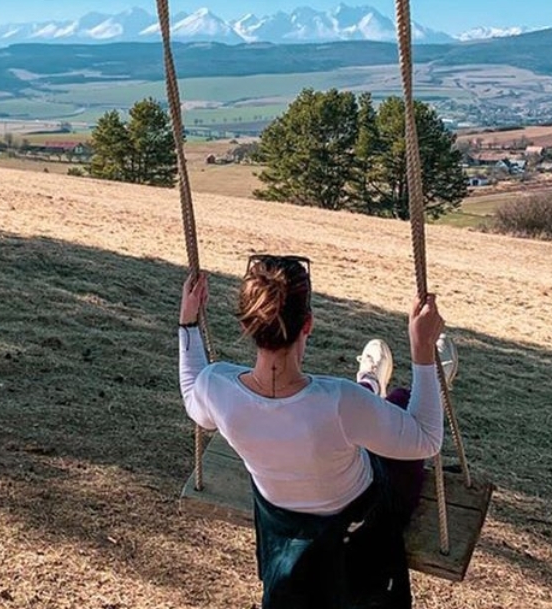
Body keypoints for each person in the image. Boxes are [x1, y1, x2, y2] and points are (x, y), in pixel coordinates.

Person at [177, 255, 457, 608]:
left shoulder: (216, 387)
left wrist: (187, 323)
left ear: (248, 324)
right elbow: (427, 438)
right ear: (307, 324)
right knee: (402, 402)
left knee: (372, 413)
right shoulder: (338, 401)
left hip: (285, 537)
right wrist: (422, 352)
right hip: (361, 527)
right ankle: (404, 381)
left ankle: (372, 382)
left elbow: (191, 392)